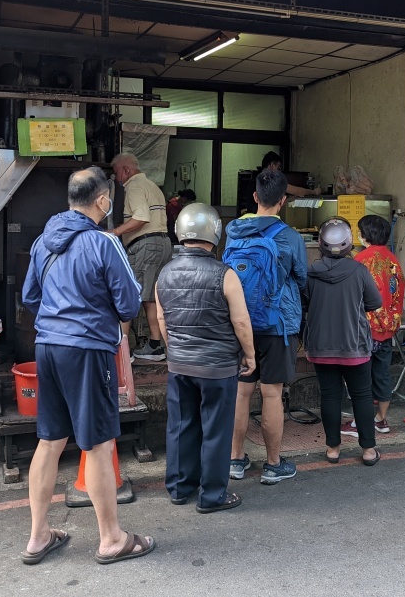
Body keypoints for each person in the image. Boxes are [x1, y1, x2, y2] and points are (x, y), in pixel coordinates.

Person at [20, 166, 154, 566]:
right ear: (102, 201)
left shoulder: (44, 241)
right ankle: (111, 539)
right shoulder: (104, 243)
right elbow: (130, 304)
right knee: (98, 443)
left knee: (50, 440)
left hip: (48, 347)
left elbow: (30, 296)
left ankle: (38, 536)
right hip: (89, 350)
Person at [155, 203, 256, 513]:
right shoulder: (224, 274)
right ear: (215, 233)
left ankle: (179, 487)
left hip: (179, 364)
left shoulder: (165, 272)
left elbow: (162, 320)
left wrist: (175, 351)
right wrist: (250, 355)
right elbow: (240, 322)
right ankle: (212, 496)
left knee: (181, 425)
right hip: (217, 367)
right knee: (215, 428)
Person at [224, 168, 308, 484]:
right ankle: (273, 464)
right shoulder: (289, 237)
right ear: (283, 201)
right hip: (278, 324)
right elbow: (301, 278)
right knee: (271, 394)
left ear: (256, 197)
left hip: (240, 322)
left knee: (241, 392)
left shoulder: (234, 232)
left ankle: (235, 460)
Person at [303, 217, 383, 466]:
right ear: (348, 243)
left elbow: (304, 304)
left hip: (321, 345)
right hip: (354, 345)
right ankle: (369, 450)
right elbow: (375, 302)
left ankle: (333, 449)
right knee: (361, 395)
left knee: (329, 396)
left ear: (321, 243)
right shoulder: (359, 271)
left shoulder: (310, 273)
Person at [110, 153, 173, 361]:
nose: (116, 178)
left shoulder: (134, 186)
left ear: (126, 170)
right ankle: (155, 345)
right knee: (149, 297)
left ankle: (121, 351)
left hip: (145, 245)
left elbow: (141, 217)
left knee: (129, 295)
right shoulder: (152, 186)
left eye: (117, 172)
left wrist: (115, 233)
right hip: (163, 244)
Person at [352, 214, 405, 434]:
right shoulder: (393, 259)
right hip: (387, 329)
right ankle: (381, 419)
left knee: (360, 377)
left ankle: (361, 421)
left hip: (364, 329)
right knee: (382, 373)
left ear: (365, 235)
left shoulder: (360, 260)